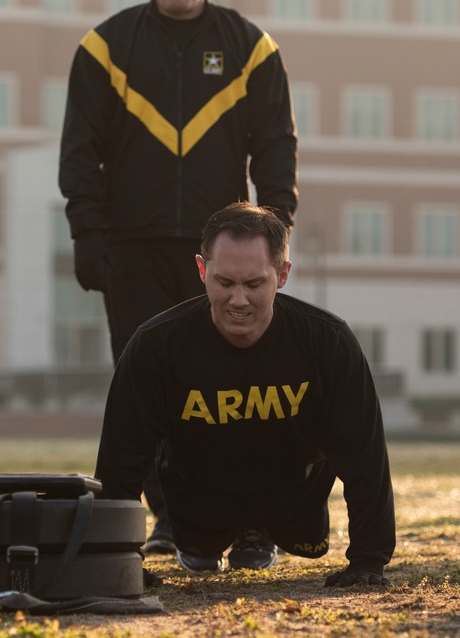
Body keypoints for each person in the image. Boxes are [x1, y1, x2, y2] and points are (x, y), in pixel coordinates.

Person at [58, 0, 298, 556]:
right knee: (150, 386)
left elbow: (275, 146)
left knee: (235, 390)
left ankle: (250, 522)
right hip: (130, 248)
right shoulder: (106, 48)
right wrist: (87, 232)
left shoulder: (252, 49)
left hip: (222, 254)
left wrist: (275, 226)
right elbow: (80, 149)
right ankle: (172, 518)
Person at [95, 202, 395, 585]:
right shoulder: (156, 347)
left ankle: (263, 536)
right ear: (202, 270)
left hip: (292, 505)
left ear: (282, 275)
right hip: (198, 506)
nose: (238, 300)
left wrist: (369, 560)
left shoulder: (328, 343)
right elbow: (121, 460)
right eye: (224, 283)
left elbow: (364, 457)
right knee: (199, 549)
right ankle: (207, 543)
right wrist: (115, 559)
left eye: (254, 284)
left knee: (303, 527)